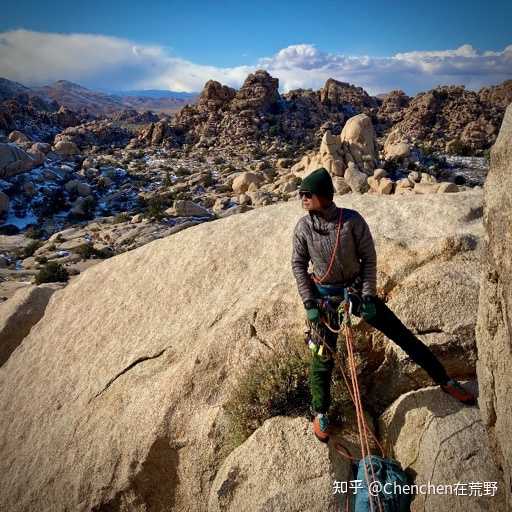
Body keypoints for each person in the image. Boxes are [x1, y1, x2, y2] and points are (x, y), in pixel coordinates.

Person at [291, 167, 476, 443]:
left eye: (308, 194)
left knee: (401, 335)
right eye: (302, 194)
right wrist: (309, 301)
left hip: (355, 292)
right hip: (325, 299)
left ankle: (445, 381)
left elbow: (369, 260)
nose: (303, 198)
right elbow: (298, 264)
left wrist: (367, 295)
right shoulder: (304, 228)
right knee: (321, 357)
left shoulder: (351, 221)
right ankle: (321, 412)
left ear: (324, 195)